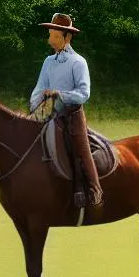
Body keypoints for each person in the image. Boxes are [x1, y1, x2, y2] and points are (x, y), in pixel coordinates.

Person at [29, 13, 102, 207]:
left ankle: (94, 189)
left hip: (72, 113)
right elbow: (39, 87)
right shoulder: (48, 62)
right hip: (48, 109)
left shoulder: (78, 62)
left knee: (79, 145)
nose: (49, 39)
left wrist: (60, 94)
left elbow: (84, 93)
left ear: (66, 37)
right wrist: (34, 106)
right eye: (50, 34)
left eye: (54, 35)